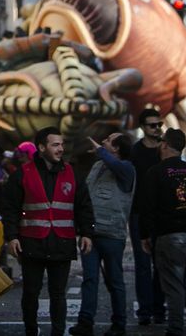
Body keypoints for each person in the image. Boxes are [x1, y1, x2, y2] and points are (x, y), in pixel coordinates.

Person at [0, 126, 95, 336]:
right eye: (55, 144)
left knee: (58, 294)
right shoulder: (22, 175)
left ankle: (57, 332)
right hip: (32, 244)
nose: (60, 149)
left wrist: (87, 233)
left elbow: (84, 206)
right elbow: (10, 208)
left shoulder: (73, 174)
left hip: (62, 243)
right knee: (31, 293)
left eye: (61, 144)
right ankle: (31, 331)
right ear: (41, 147)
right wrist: (12, 237)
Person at [134, 128, 186, 336]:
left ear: (165, 145)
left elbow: (148, 207)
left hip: (171, 236)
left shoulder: (156, 172)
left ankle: (175, 329)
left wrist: (145, 235)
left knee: (174, 287)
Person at [73, 133, 134, 336]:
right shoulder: (98, 166)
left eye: (108, 140)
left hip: (112, 235)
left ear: (116, 148)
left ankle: (119, 324)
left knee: (115, 281)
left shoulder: (127, 168)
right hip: (90, 233)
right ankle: (85, 322)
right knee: (89, 279)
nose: (104, 142)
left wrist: (100, 150)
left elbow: (115, 165)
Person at [129, 107, 167, 326]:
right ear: (143, 128)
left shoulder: (165, 150)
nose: (157, 129)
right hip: (139, 213)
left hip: (162, 214)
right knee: (142, 264)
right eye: (152, 125)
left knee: (160, 263)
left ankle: (159, 308)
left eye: (159, 124)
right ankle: (144, 310)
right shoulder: (135, 151)